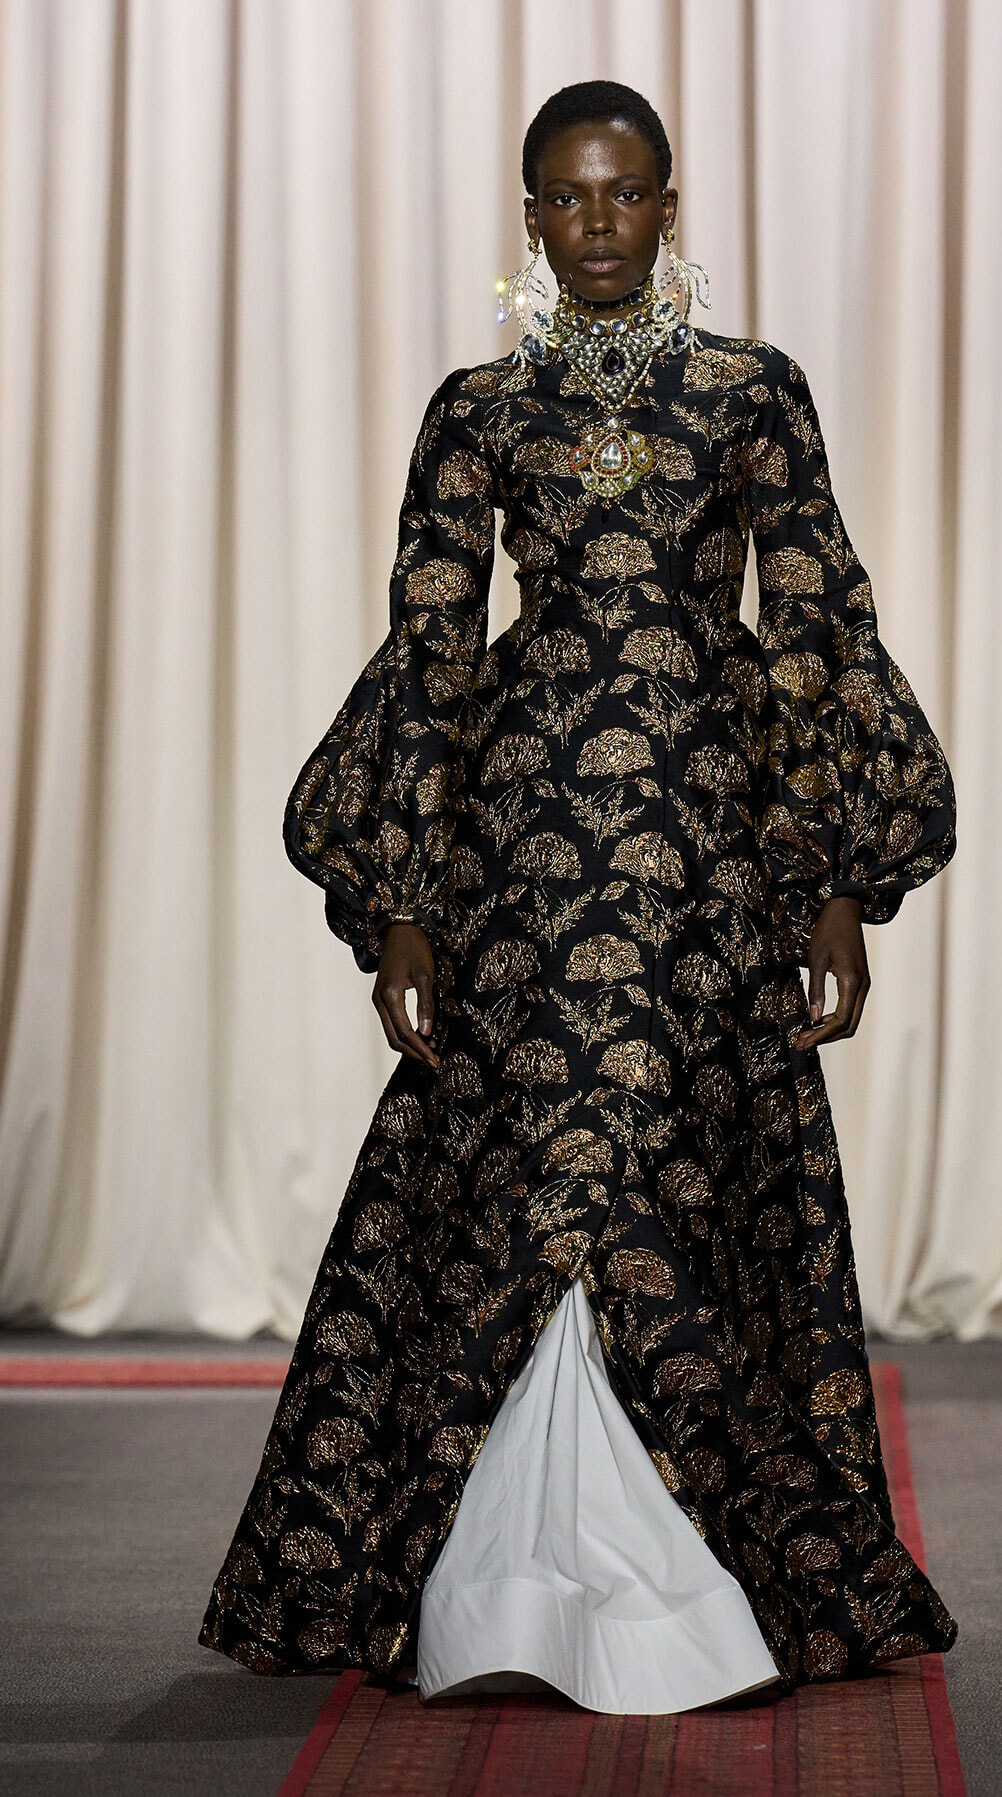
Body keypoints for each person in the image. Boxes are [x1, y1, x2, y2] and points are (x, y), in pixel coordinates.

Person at [199, 80, 958, 1714]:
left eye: (624, 196)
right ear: (528, 214)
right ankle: (501, 1573)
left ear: (668, 207)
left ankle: (677, 1573)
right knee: (543, 1154)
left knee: (675, 1156)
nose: (597, 223)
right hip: (522, 843)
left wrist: (828, 877)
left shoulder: (754, 392)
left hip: (705, 848)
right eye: (566, 197)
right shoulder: (480, 410)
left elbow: (820, 628)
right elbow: (428, 655)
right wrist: (404, 897)